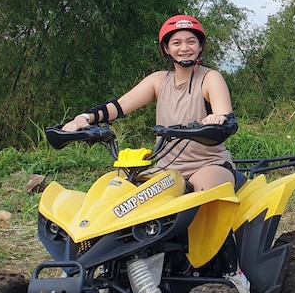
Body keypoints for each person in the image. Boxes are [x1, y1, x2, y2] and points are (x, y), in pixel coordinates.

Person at [60, 14, 237, 193]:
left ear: (200, 47)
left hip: (208, 165)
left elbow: (225, 117)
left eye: (191, 41)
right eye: (176, 43)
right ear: (167, 49)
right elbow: (118, 107)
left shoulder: (210, 78)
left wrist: (218, 119)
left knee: (202, 193)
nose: (184, 48)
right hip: (166, 168)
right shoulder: (158, 81)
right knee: (123, 193)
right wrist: (84, 118)